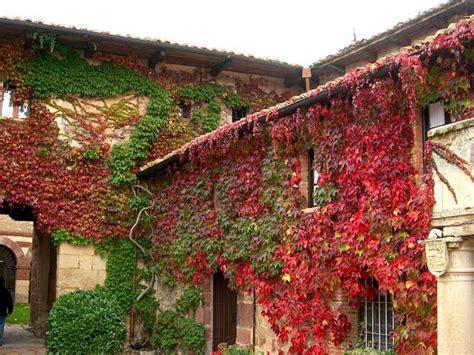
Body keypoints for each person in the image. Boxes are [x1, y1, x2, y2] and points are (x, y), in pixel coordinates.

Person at [0, 277, 13, 346]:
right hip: (2, 311)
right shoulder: (6, 291)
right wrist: (10, 310)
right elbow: (10, 302)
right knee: (1, 326)